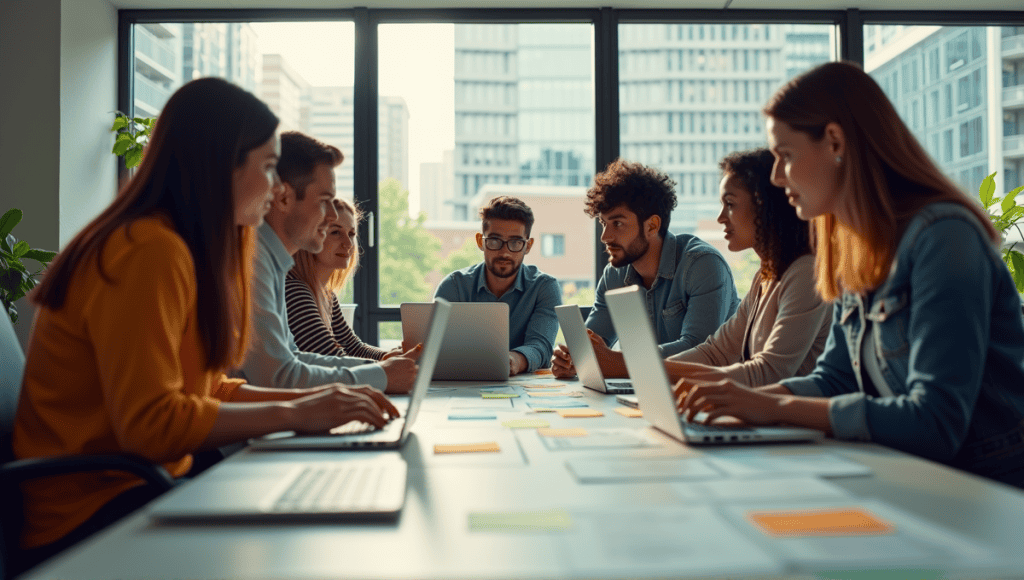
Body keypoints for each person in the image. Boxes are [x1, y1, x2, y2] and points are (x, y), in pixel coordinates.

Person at [12, 78, 400, 566]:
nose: (276, 187)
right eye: (268, 167)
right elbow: (150, 424)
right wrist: (295, 413)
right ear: (222, 167)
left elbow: (205, 387)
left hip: (145, 487)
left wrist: (315, 400)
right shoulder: (148, 250)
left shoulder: (184, 248)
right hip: (92, 519)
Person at [680, 61, 1024, 488]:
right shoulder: (856, 250)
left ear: (835, 141)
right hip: (905, 479)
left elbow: (936, 422)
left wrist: (771, 408)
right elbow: (835, 379)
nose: (775, 176)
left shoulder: (944, 238)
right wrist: (742, 402)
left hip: (986, 495)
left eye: (785, 156)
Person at [240, 131, 419, 393]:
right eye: (325, 201)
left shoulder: (274, 265)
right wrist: (381, 375)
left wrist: (383, 370)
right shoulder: (254, 264)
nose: (332, 214)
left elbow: (292, 359)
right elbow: (277, 377)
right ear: (284, 198)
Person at [551, 158, 740, 379]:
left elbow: (697, 351)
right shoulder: (614, 275)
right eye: (603, 223)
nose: (605, 237)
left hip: (709, 394)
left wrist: (619, 361)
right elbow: (593, 344)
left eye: (618, 224)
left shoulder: (702, 265)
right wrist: (571, 358)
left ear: (652, 226)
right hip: (648, 392)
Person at [664, 149, 832, 391]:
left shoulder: (806, 274)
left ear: (766, 207)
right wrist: (656, 372)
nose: (721, 217)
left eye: (730, 204)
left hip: (794, 423)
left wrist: (667, 376)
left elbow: (768, 372)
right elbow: (716, 353)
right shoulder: (765, 276)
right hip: (765, 418)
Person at [434, 196, 561, 375]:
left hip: (523, 386)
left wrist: (515, 360)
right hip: (464, 384)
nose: (505, 252)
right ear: (481, 241)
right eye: (494, 241)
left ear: (528, 246)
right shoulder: (454, 286)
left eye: (516, 242)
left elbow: (541, 346)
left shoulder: (544, 287)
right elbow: (436, 347)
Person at [286, 198, 400, 360]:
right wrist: (388, 367)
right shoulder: (294, 290)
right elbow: (331, 357)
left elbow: (352, 347)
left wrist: (390, 356)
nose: (348, 243)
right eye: (335, 232)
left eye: (351, 234)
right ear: (312, 235)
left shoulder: (326, 295)